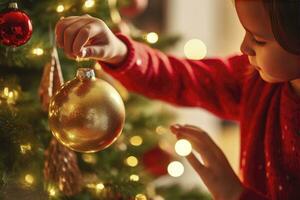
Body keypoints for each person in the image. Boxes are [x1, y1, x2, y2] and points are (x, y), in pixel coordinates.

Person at [55, 0, 300, 199]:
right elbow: (182, 78)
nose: (244, 47)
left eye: (259, 39)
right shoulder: (253, 79)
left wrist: (234, 193)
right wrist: (118, 51)